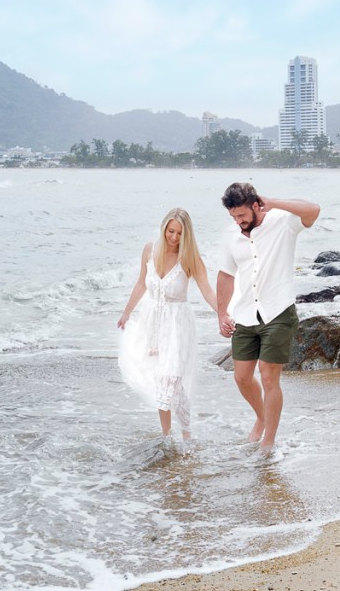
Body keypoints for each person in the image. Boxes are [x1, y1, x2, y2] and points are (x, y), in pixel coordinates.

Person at [214, 182, 320, 455]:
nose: (238, 222)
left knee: (270, 377)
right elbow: (226, 275)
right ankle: (262, 418)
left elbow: (314, 210)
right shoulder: (231, 236)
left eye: (242, 215)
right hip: (246, 314)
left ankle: (268, 441)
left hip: (278, 311)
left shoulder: (282, 223)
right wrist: (221, 312)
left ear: (255, 205)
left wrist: (274, 201)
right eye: (233, 217)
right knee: (241, 377)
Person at [117, 207, 216, 441]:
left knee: (171, 378)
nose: (174, 237)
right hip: (152, 323)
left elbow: (208, 291)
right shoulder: (150, 251)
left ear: (187, 235)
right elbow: (141, 284)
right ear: (164, 228)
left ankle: (185, 436)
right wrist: (126, 313)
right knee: (164, 379)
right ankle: (171, 436)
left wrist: (225, 315)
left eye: (180, 233)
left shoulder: (190, 258)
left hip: (178, 325)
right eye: (171, 231)